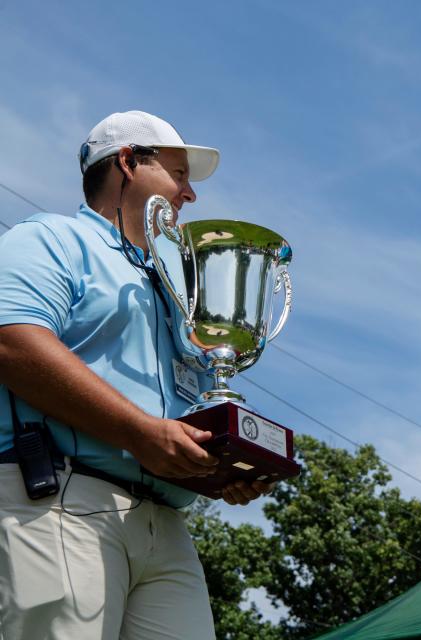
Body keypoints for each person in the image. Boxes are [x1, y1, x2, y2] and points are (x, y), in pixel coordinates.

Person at [0, 110, 271, 640]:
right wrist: (140, 434)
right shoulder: (53, 238)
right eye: (178, 174)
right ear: (127, 162)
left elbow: (175, 412)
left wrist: (215, 466)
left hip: (166, 524)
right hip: (60, 497)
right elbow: (12, 340)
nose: (189, 194)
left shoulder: (175, 288)